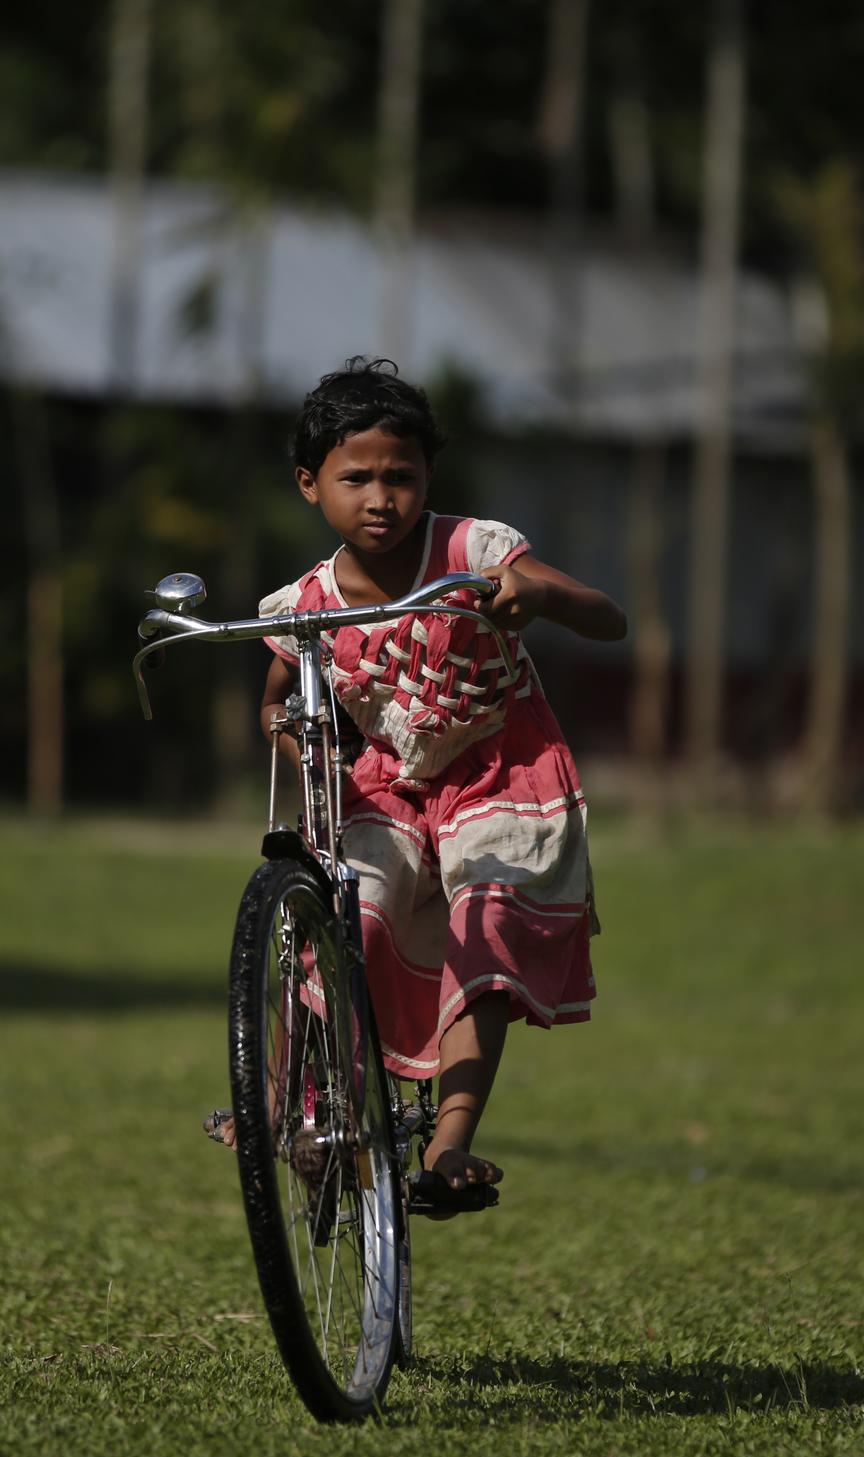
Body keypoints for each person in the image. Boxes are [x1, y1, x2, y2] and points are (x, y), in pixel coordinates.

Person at [205, 357, 626, 1208]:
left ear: (430, 474)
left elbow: (608, 619)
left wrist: (537, 593)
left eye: (402, 475)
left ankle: (449, 1143)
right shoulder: (304, 605)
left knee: (489, 923)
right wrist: (302, 750)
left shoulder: (476, 552)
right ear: (308, 485)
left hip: (501, 771)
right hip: (384, 786)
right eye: (354, 477)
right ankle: (297, 1103)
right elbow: (276, 707)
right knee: (344, 916)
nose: (381, 497)